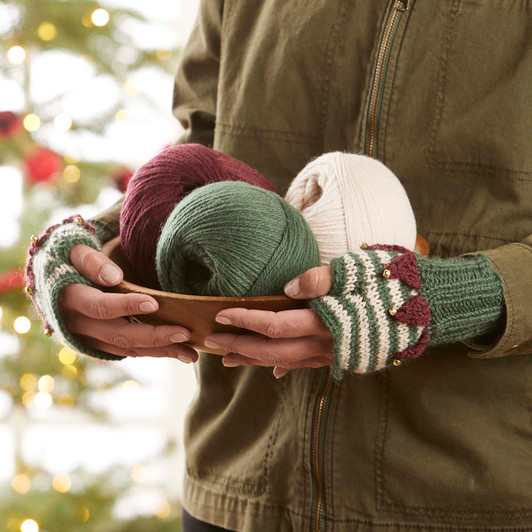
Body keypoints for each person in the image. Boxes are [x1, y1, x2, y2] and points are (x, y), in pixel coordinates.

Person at [25, 1, 532, 531]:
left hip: (473, 498)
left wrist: (455, 297)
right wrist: (99, 243)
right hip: (239, 486)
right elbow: (203, 147)